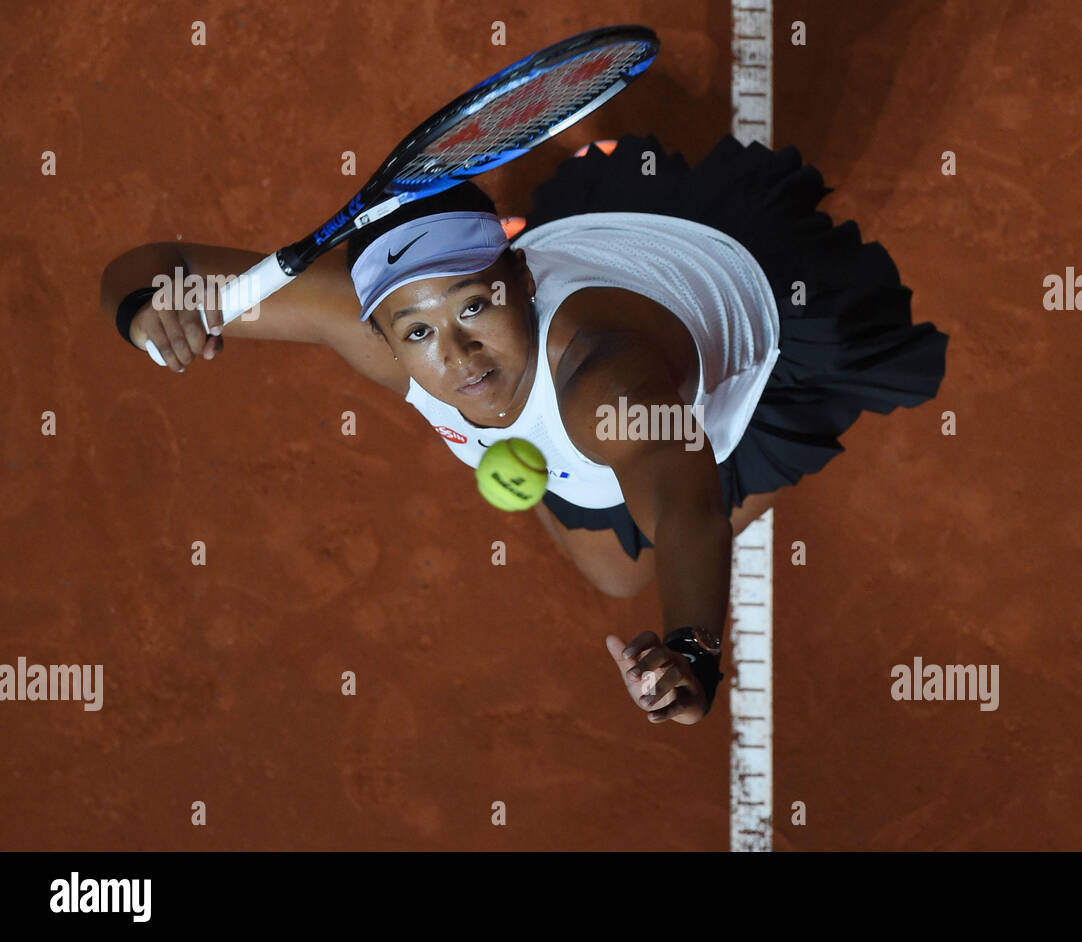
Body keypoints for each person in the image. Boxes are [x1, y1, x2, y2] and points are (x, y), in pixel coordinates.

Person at [100, 133, 948, 726]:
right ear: (381, 335)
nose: (459, 353)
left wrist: (694, 646)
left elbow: (686, 507)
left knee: (643, 552)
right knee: (614, 575)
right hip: (613, 323)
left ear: (520, 271)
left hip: (754, 322)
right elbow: (145, 270)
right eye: (418, 331)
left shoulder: (604, 382)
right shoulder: (359, 328)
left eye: (474, 305)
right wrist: (146, 313)